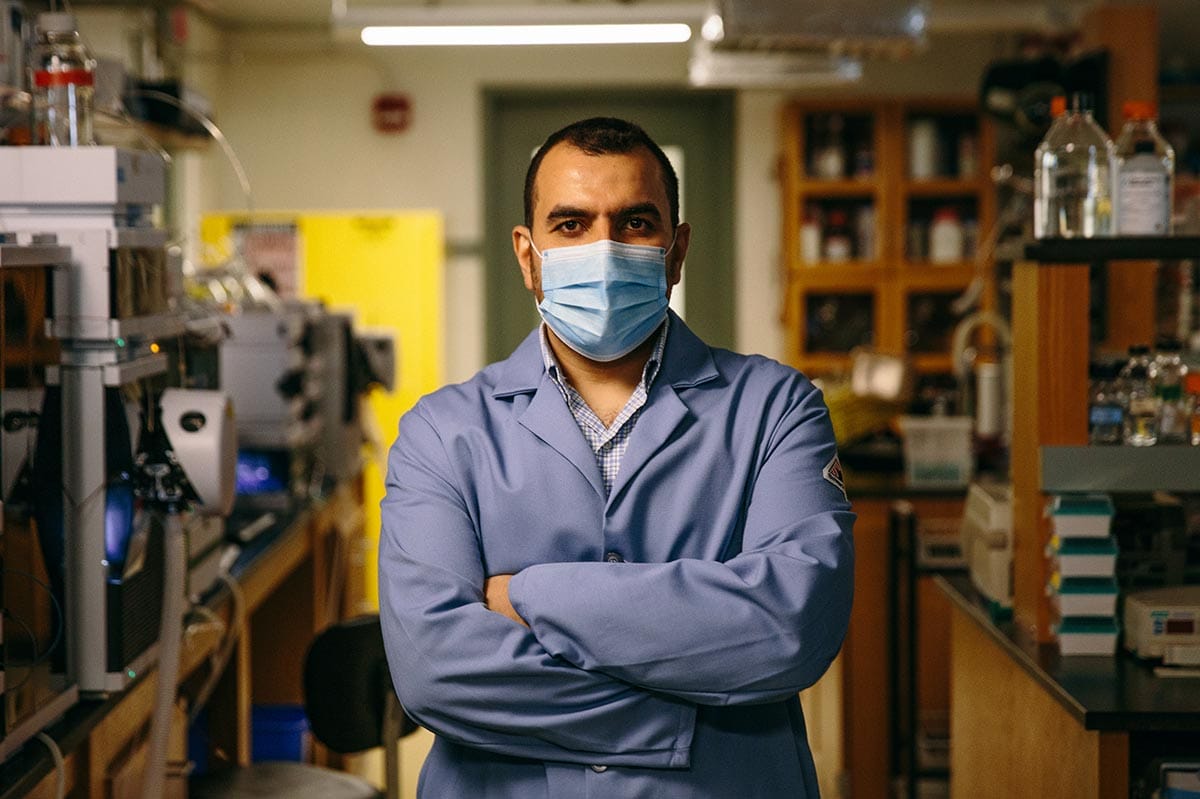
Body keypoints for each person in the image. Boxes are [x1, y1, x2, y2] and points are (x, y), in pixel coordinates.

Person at [378, 116, 855, 798]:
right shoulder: (442, 432)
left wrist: (530, 594)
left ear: (677, 248)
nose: (603, 248)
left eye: (634, 222)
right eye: (570, 225)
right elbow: (437, 671)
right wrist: (683, 715)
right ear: (527, 254)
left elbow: (790, 630)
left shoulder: (777, 408)